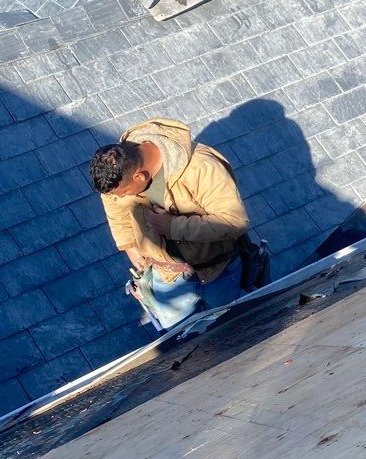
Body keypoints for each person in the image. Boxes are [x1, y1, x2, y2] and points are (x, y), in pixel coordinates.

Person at [89, 117, 252, 331]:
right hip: (167, 276)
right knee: (181, 341)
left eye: (126, 192)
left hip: (218, 270)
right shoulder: (118, 172)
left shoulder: (202, 168)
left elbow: (234, 221)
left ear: (139, 176)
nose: (121, 196)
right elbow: (114, 206)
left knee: (229, 329)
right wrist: (130, 247)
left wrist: (171, 226)